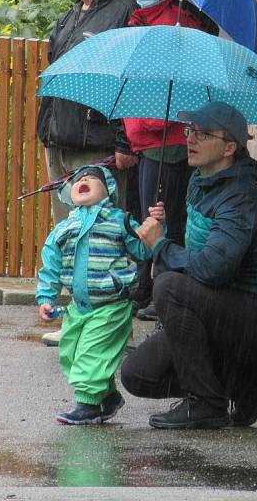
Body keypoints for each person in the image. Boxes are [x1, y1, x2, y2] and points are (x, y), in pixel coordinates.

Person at [120, 102, 257, 429]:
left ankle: (206, 403)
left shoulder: (240, 196)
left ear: (229, 147)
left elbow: (213, 268)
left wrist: (162, 248)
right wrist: (162, 233)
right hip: (216, 311)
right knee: (136, 374)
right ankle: (246, 385)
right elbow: (198, 254)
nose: (190, 139)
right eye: (190, 131)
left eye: (203, 133)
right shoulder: (199, 181)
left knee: (168, 287)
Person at [36, 0, 138, 346]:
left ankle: (108, 325)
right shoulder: (71, 16)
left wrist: (125, 139)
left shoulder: (123, 12)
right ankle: (77, 319)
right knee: (69, 234)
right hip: (60, 138)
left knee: (103, 240)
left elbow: (130, 80)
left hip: (95, 144)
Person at [36, 164, 163, 424]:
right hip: (80, 307)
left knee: (92, 355)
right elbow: (51, 264)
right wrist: (46, 298)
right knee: (70, 355)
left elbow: (142, 251)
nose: (83, 179)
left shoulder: (119, 221)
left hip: (111, 305)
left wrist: (156, 228)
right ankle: (107, 398)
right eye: (79, 179)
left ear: (108, 191)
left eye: (92, 178)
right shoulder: (64, 228)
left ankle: (88, 406)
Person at [125, 0, 205, 320]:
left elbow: (179, 91)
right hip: (144, 138)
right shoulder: (140, 20)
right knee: (149, 217)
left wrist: (151, 120)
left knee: (165, 219)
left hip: (166, 140)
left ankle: (166, 292)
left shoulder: (177, 26)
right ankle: (149, 288)